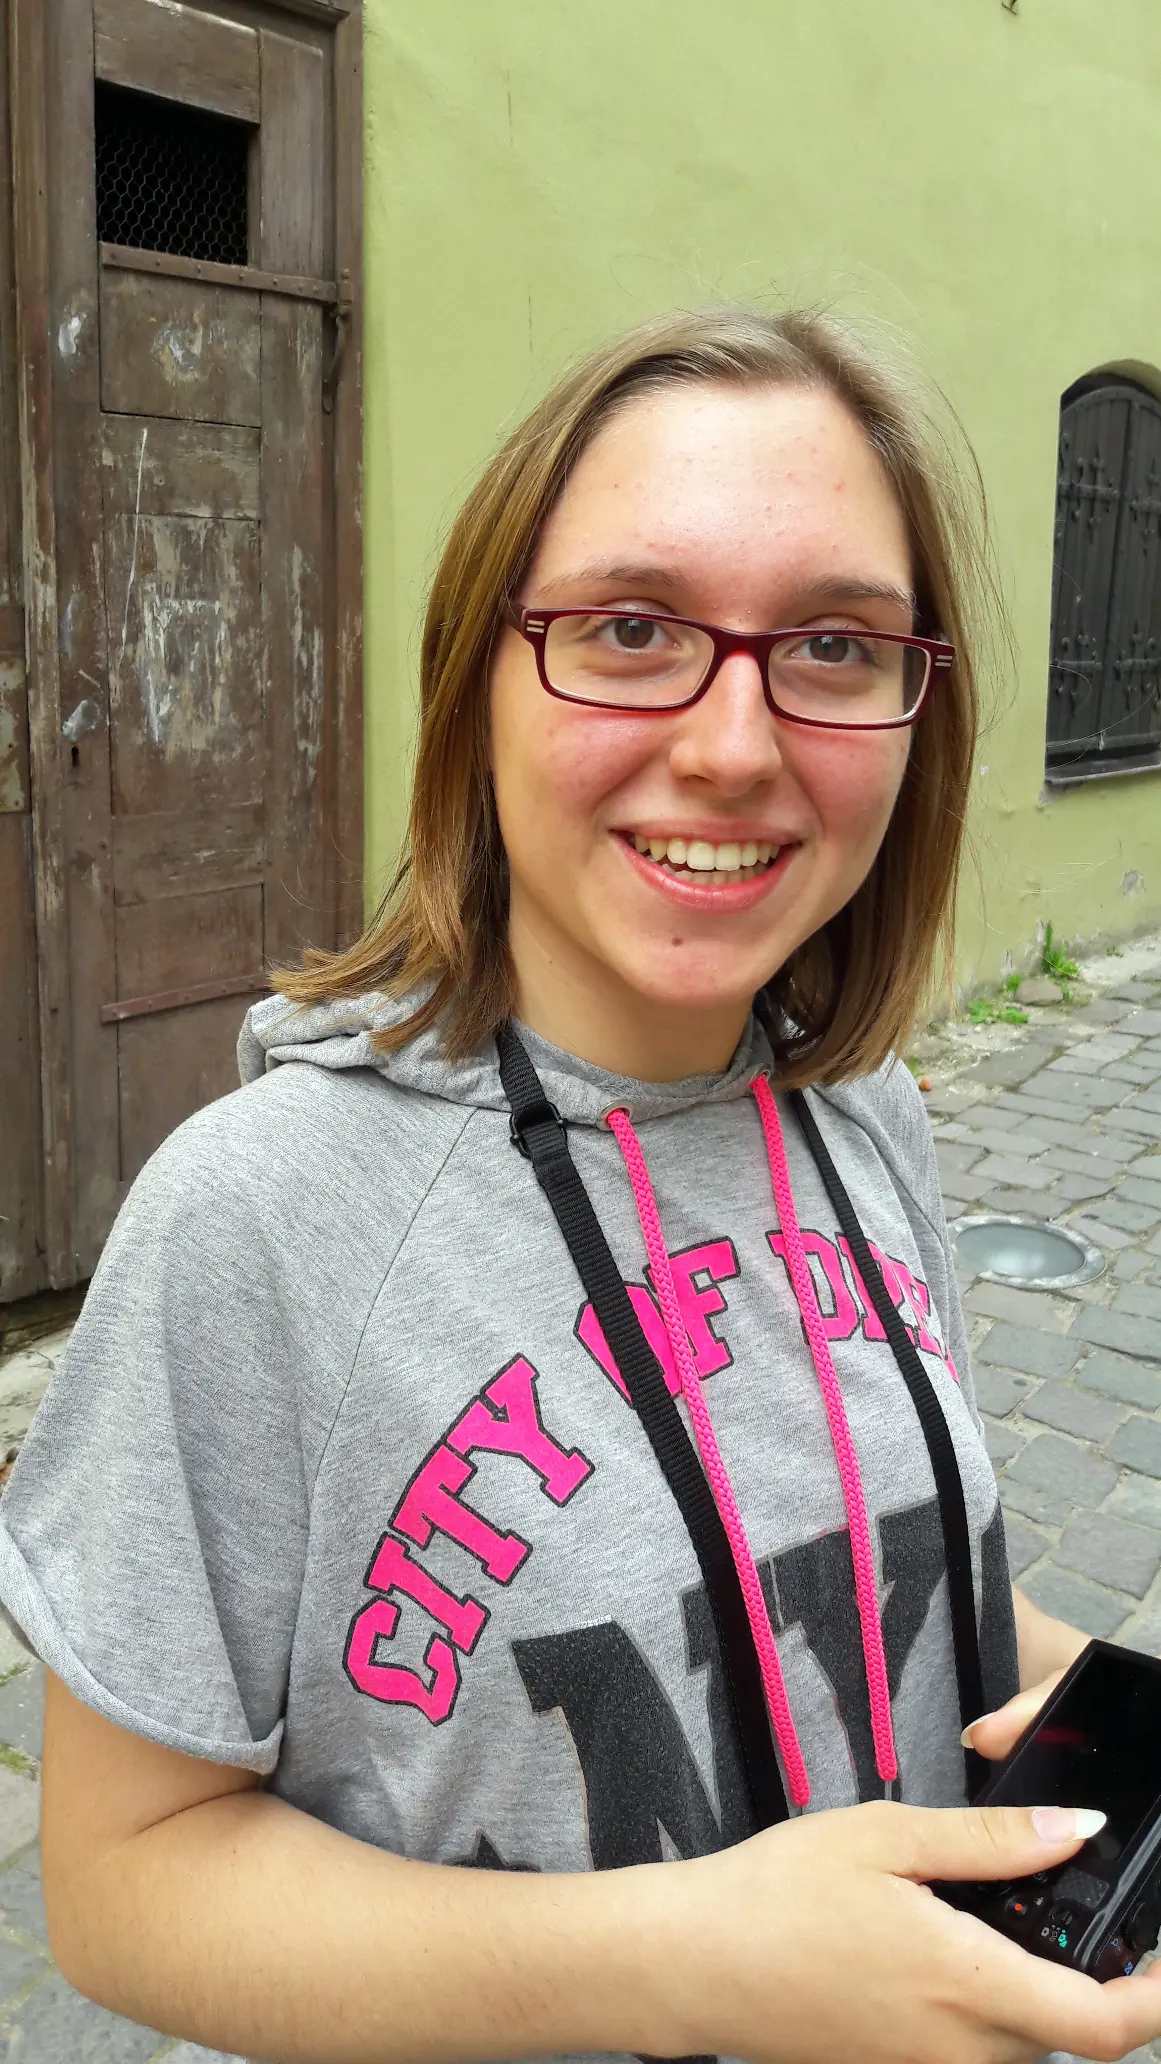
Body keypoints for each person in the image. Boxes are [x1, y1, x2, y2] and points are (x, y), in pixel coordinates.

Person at [0, 305, 1156, 2064]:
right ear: (479, 678)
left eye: (833, 645)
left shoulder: (864, 1114)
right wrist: (688, 1960)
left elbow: (863, 1566)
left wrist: (1106, 1710)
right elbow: (124, 1884)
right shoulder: (254, 1217)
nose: (736, 746)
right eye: (630, 631)